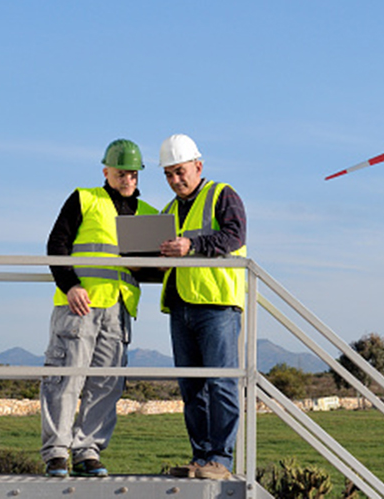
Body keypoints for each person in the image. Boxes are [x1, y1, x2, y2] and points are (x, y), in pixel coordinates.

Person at [40, 139, 157, 477]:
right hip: (80, 304)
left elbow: (155, 267)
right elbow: (56, 244)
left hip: (119, 310)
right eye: (121, 173)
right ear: (106, 171)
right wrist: (70, 284)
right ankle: (57, 452)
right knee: (66, 378)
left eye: (133, 174)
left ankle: (87, 450)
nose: (128, 180)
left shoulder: (149, 213)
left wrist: (144, 268)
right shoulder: (84, 198)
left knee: (107, 383)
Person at [157, 134, 247, 480]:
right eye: (168, 174)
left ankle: (221, 460)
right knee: (191, 388)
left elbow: (234, 236)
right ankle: (201, 458)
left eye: (180, 172)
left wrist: (190, 246)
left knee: (221, 382)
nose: (175, 180)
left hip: (217, 304)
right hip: (180, 305)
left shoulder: (222, 194)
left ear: (198, 166)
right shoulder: (168, 210)